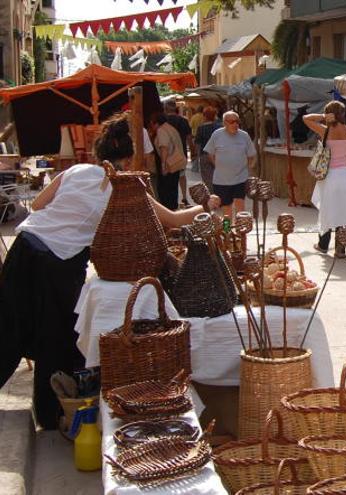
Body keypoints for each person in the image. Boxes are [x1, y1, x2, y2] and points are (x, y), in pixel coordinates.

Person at [0, 112, 220, 429]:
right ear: (129, 158)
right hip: (57, 262)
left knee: (8, 326)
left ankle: (51, 412)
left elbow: (37, 206)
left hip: (25, 245)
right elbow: (171, 220)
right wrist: (208, 206)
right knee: (57, 338)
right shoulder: (126, 188)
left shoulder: (75, 170)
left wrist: (71, 214)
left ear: (99, 150)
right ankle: (50, 415)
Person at [303, 101, 346, 259]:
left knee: (327, 210)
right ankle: (341, 249)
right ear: (343, 114)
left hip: (329, 176)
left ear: (330, 114)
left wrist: (323, 116)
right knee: (345, 212)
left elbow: (306, 118)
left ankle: (323, 245)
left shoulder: (325, 130)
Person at [203, 111, 257, 218]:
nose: (235, 124)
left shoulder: (244, 136)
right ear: (225, 123)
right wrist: (218, 166)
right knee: (226, 210)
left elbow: (253, 155)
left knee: (240, 207)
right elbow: (210, 153)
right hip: (221, 181)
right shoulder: (217, 134)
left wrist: (249, 169)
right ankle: (227, 231)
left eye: (237, 122)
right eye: (232, 122)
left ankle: (241, 231)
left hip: (240, 179)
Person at [151, 112, 187, 211]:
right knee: (173, 189)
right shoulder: (170, 128)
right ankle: (173, 210)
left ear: (156, 123)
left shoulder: (161, 130)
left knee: (166, 191)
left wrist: (163, 165)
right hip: (176, 163)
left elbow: (164, 148)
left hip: (169, 164)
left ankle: (169, 212)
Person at [163, 100, 196, 206]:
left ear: (165, 108)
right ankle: (184, 197)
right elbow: (189, 138)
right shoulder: (183, 121)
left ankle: (170, 199)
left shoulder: (163, 121)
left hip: (166, 153)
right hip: (181, 153)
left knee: (168, 178)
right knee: (182, 176)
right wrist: (192, 150)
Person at [195, 107, 222, 193]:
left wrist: (198, 156)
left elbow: (198, 144)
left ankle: (212, 197)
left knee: (207, 179)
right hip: (218, 155)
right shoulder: (219, 127)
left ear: (204, 116)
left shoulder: (201, 128)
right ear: (214, 116)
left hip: (205, 155)